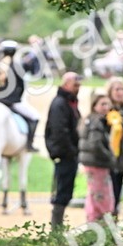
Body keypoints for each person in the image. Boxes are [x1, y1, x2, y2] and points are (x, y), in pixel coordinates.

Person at [45, 71, 84, 230]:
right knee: (61, 193)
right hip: (64, 154)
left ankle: (57, 228)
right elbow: (59, 131)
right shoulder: (60, 104)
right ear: (66, 84)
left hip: (68, 153)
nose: (78, 88)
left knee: (65, 192)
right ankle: (56, 230)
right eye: (75, 85)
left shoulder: (68, 102)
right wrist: (71, 151)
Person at [0, 40, 40, 150]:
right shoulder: (18, 67)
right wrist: (18, 98)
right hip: (13, 102)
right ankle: (29, 144)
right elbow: (22, 86)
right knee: (35, 117)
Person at [79, 93, 116, 222]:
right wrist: (109, 157)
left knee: (93, 194)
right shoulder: (96, 121)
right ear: (94, 106)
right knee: (101, 196)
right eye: (102, 104)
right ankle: (97, 222)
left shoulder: (90, 119)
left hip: (92, 163)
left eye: (108, 104)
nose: (106, 107)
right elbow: (95, 144)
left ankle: (94, 220)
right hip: (97, 164)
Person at [105, 77, 123, 219]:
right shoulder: (106, 111)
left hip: (121, 161)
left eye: (122, 89)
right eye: (117, 89)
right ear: (110, 91)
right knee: (109, 197)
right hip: (109, 161)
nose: (120, 92)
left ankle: (113, 224)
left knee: (116, 197)